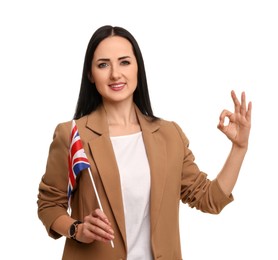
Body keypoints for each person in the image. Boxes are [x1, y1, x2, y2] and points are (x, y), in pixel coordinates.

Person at [37, 25, 252, 260]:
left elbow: (209, 199)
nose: (115, 74)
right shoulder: (73, 134)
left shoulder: (169, 134)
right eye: (103, 64)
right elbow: (49, 205)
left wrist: (239, 148)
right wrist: (77, 229)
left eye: (124, 62)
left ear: (138, 67)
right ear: (90, 74)